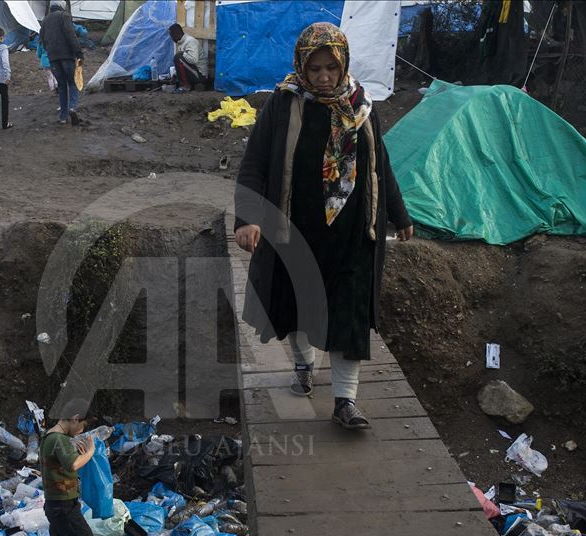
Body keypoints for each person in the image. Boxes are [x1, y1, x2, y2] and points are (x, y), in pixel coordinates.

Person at [234, 23, 414, 430]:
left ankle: (345, 402)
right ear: (301, 65)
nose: (323, 77)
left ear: (344, 63)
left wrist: (399, 215)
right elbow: (255, 164)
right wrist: (246, 219)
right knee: (298, 302)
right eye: (314, 68)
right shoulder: (283, 104)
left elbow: (379, 165)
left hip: (352, 230)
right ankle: (303, 364)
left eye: (331, 67)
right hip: (297, 226)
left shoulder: (362, 105)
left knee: (348, 310)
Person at [39, 398, 102, 536]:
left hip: (55, 505)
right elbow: (73, 465)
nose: (81, 432)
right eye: (82, 426)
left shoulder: (49, 437)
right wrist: (90, 452)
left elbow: (64, 464)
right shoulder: (59, 439)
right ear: (75, 419)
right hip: (64, 507)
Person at [40, 2, 83, 125]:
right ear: (62, 6)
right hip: (67, 56)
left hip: (53, 58)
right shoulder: (64, 16)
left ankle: (63, 117)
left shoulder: (45, 21)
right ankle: (72, 108)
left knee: (62, 86)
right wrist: (79, 53)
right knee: (73, 82)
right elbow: (71, 35)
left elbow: (42, 40)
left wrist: (50, 52)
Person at [168, 23, 208, 92]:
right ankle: (184, 84)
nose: (172, 38)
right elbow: (184, 65)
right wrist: (175, 74)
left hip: (200, 75)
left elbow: (194, 60)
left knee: (178, 57)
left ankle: (185, 86)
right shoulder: (181, 43)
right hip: (194, 72)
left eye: (172, 36)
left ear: (177, 34)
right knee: (179, 57)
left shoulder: (190, 41)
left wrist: (183, 53)